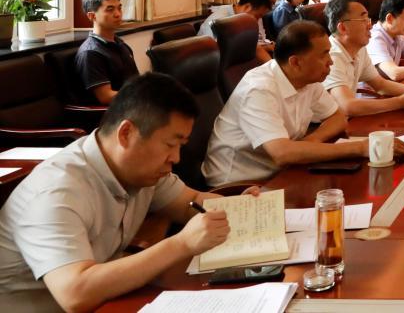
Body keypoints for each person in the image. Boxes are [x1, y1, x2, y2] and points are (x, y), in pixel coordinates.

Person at [0, 74, 235, 312]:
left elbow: (192, 202)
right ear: (126, 134)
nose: (176, 158)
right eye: (170, 145)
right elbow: (75, 293)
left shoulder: (143, 171)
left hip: (108, 300)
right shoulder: (56, 192)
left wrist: (247, 202)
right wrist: (181, 244)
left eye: (180, 146)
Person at [202, 21, 368, 186]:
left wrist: (312, 140)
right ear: (295, 62)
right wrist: (359, 148)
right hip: (238, 185)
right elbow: (282, 153)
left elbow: (338, 118)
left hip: (282, 172)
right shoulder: (259, 89)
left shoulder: (307, 78)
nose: (330, 61)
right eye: (323, 55)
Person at [324, 0, 404, 117]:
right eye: (363, 20)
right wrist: (399, 102)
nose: (370, 26)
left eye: (368, 19)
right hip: (322, 124)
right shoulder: (331, 56)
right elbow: (348, 106)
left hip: (345, 119)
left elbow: (380, 85)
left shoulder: (359, 49)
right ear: (343, 28)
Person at [75, 0, 140, 105]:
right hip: (115, 111)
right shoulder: (91, 52)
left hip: (133, 104)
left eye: (119, 8)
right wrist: (142, 95)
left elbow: (136, 82)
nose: (118, 14)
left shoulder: (121, 44)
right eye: (110, 9)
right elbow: (106, 97)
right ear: (92, 16)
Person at [198, 0, 274, 63]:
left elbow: (253, 47)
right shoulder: (220, 20)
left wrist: (274, 67)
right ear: (247, 7)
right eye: (257, 16)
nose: (257, 21)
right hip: (208, 62)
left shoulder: (240, 18)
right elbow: (221, 52)